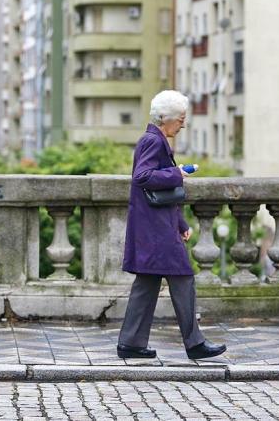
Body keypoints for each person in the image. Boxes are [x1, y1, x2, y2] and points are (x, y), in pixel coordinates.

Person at [116, 90, 227, 360]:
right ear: (164, 118)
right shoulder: (153, 141)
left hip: (155, 225)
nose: (183, 124)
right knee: (183, 277)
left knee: (147, 282)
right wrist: (177, 172)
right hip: (156, 230)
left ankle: (130, 343)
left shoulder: (153, 139)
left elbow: (160, 194)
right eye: (180, 119)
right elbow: (142, 177)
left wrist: (179, 222)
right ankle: (195, 343)